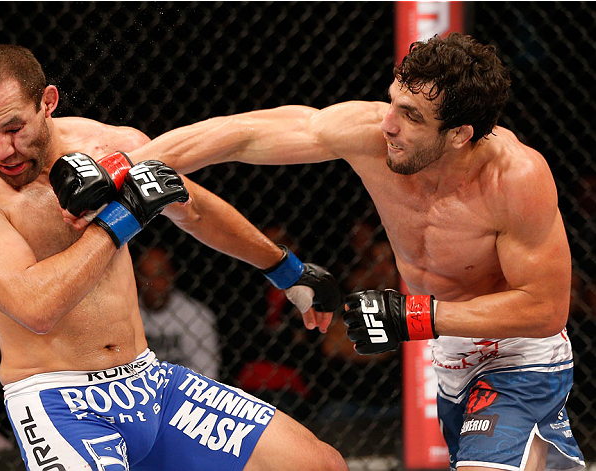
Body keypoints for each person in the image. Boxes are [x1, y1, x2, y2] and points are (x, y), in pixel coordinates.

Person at [120, 33, 585, 471]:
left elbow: (545, 309)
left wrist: (412, 316)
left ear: (461, 134)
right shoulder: (372, 134)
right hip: (451, 358)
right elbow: (242, 134)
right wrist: (118, 170)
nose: (388, 123)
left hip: (520, 357)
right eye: (392, 102)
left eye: (412, 116)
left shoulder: (515, 178)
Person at [0, 44, 347, 470]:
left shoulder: (112, 147)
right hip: (58, 401)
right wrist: (124, 216)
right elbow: (36, 307)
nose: (1, 150)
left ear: (48, 103)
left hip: (149, 382)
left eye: (14, 128)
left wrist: (287, 269)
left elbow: (195, 210)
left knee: (319, 464)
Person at [135, 245, 221, 379]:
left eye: (160, 276)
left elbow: (207, 371)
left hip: (183, 390)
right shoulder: (125, 315)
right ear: (137, 279)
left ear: (172, 276)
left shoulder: (197, 315)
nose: (153, 284)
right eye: (146, 277)